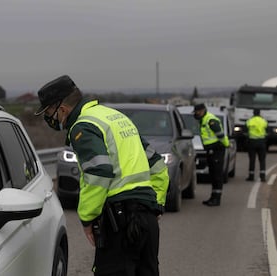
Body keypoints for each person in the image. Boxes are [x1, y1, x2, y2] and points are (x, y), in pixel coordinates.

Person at [35, 75, 169, 276]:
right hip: (146, 219)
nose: (50, 118)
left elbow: (98, 172)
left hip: (120, 221)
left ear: (61, 109)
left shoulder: (83, 126)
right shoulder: (115, 117)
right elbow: (158, 166)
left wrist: (87, 219)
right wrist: (155, 205)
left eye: (48, 112)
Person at [193, 103, 230, 207]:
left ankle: (217, 199)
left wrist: (227, 144)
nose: (196, 114)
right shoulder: (203, 120)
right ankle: (213, 197)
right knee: (213, 174)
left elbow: (221, 135)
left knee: (217, 175)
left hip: (217, 149)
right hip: (210, 150)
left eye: (197, 112)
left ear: (203, 110)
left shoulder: (211, 120)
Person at [245, 108, 268, 182]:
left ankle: (251, 176)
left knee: (252, 159)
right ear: (259, 113)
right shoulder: (263, 121)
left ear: (253, 113)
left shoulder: (250, 121)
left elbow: (246, 130)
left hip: (252, 142)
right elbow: (267, 130)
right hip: (261, 142)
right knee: (262, 160)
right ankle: (262, 177)